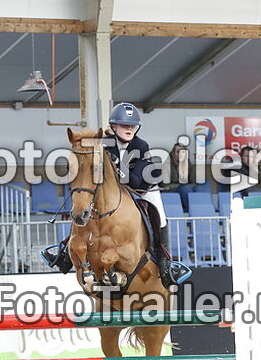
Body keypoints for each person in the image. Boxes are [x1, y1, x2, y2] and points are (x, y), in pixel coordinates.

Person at [42, 102, 175, 287]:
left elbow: (135, 182)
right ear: (113, 126)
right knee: (84, 206)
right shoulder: (103, 143)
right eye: (124, 125)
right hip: (114, 189)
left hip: (142, 187)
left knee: (160, 217)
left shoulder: (140, 145)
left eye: (132, 126)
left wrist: (116, 166)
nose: (129, 129)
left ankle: (165, 261)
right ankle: (65, 252)